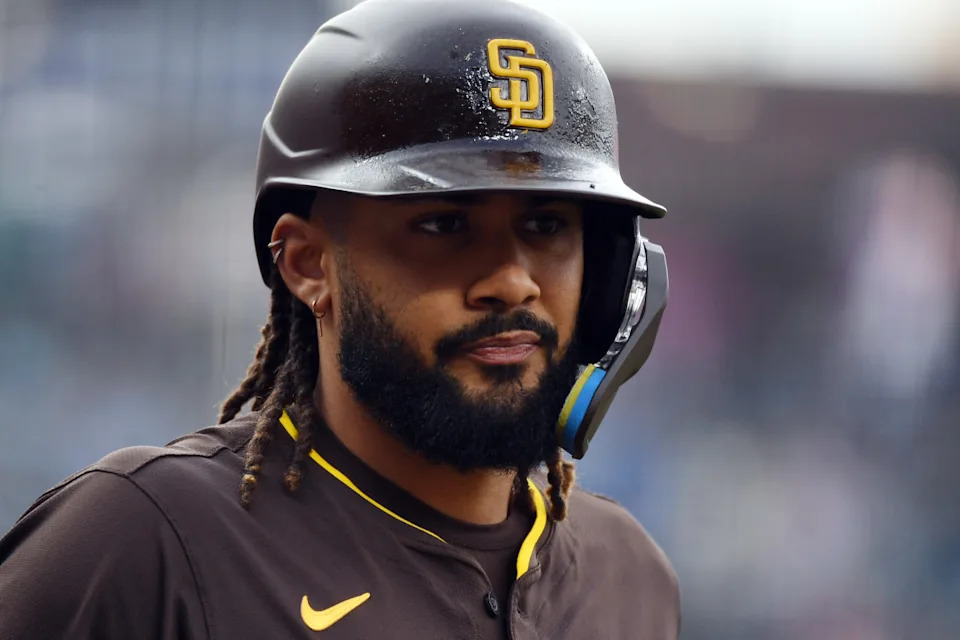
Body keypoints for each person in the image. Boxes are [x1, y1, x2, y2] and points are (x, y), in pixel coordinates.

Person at [0, 0, 679, 638]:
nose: (511, 280)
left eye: (547, 224)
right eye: (444, 224)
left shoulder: (630, 577)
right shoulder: (145, 542)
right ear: (306, 263)